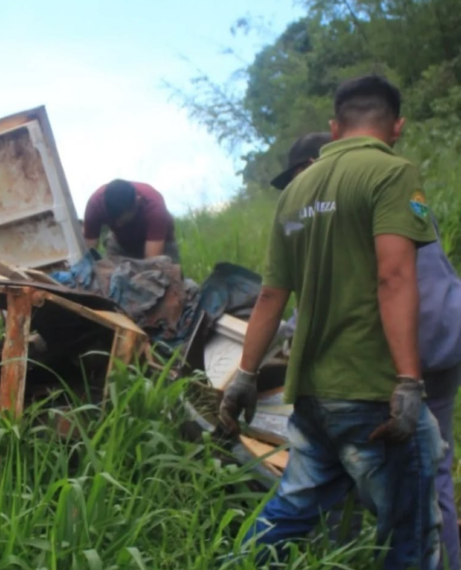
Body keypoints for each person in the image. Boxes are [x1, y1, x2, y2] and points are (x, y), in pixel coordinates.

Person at [219, 75, 444, 569]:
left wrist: (246, 375)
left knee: (291, 509)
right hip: (371, 392)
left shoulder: (296, 191)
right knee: (410, 534)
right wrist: (407, 382)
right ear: (397, 126)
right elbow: (394, 276)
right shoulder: (392, 173)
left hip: (314, 395)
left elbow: (272, 294)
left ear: (335, 126)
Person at [273, 131, 461, 570]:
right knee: (429, 472)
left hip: (403, 355)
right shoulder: (388, 184)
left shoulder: (336, 202)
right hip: (443, 334)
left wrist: (291, 332)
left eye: (302, 175)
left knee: (411, 478)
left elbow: (357, 288)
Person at [82, 180, 180, 264]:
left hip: (159, 242)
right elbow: (88, 252)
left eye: (122, 221)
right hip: (120, 243)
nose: (117, 225)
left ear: (136, 203)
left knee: (162, 280)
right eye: (114, 220)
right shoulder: (95, 205)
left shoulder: (154, 207)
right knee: (107, 277)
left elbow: (152, 264)